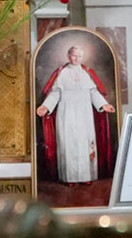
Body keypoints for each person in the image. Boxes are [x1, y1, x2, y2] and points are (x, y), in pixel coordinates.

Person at [36, 44, 115, 184]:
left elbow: (93, 92)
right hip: (66, 113)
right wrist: (45, 106)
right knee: (68, 145)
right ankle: (69, 178)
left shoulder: (87, 73)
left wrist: (104, 105)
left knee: (86, 144)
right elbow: (55, 93)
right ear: (68, 56)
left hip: (85, 113)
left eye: (79, 56)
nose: (77, 58)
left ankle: (87, 177)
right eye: (74, 55)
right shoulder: (62, 73)